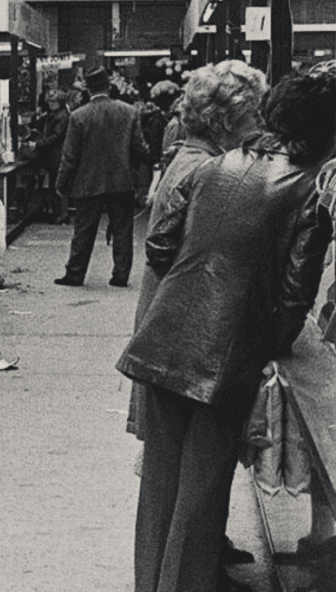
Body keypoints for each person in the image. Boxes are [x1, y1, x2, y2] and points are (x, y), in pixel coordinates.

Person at [117, 65, 336, 592]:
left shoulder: (210, 167)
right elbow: (291, 298)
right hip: (225, 359)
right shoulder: (312, 192)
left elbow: (159, 246)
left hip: (161, 339)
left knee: (161, 494)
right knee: (202, 497)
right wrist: (267, 348)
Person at [54, 66, 148, 287]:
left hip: (87, 182)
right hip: (121, 180)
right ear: (109, 87)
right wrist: (136, 168)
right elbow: (139, 148)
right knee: (123, 230)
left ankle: (75, 274)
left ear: (88, 90)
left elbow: (70, 157)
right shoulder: (129, 112)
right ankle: (120, 275)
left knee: (84, 230)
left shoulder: (78, 116)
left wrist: (62, 184)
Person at [35, 90, 71, 223]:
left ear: (59, 102)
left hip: (57, 154)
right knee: (55, 185)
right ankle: (59, 213)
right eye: (49, 101)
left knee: (58, 185)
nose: (50, 104)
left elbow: (56, 136)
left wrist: (39, 144)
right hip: (54, 154)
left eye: (53, 101)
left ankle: (61, 214)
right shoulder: (55, 114)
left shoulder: (61, 116)